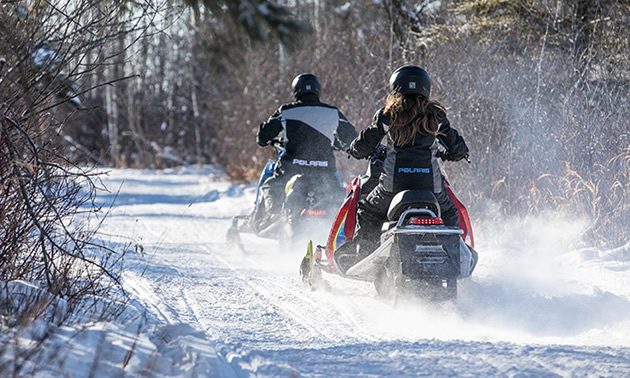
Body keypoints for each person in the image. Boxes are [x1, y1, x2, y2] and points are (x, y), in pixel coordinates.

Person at [341, 65, 469, 267]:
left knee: (368, 210)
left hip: (392, 187)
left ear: (396, 87)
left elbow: (366, 143)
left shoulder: (388, 115)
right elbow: (458, 149)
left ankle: (363, 255)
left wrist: (354, 150)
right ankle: (456, 258)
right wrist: (450, 154)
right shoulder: (436, 116)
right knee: (450, 214)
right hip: (431, 187)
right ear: (426, 88)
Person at [255, 73, 358, 230]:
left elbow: (263, 137)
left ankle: (273, 216)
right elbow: (352, 137)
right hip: (324, 171)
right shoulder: (333, 112)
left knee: (272, 185)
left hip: (291, 170)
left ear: (296, 90)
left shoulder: (286, 111)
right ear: (318, 90)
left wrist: (266, 138)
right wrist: (340, 144)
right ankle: (342, 224)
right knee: (338, 192)